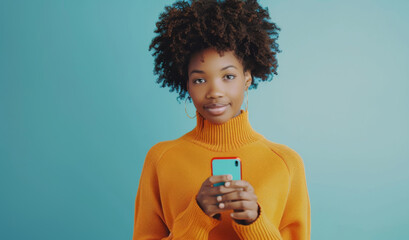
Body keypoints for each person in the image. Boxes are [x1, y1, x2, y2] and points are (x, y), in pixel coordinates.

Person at [133, 0, 311, 239]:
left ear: (247, 77)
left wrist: (254, 222)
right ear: (186, 84)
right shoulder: (161, 159)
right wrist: (197, 215)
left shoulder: (286, 163)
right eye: (199, 80)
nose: (214, 91)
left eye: (228, 76)